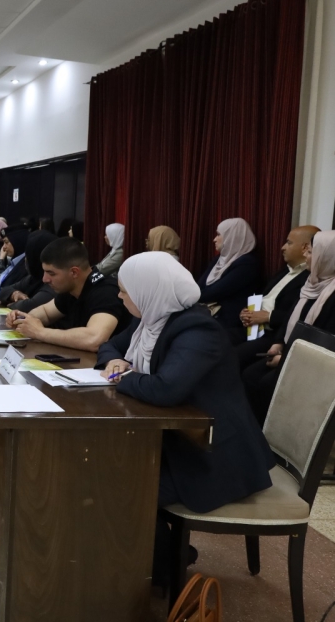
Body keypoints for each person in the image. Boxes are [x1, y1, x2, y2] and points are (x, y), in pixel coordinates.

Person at [95, 252, 274, 586]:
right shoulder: (151, 315)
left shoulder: (197, 330)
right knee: (105, 468)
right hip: (178, 438)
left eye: (124, 291)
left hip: (213, 454)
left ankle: (164, 570)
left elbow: (165, 390)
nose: (120, 297)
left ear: (148, 289)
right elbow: (108, 346)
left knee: (119, 486)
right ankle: (160, 558)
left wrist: (122, 378)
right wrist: (118, 361)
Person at [242, 230, 335, 424]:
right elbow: (291, 320)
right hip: (288, 351)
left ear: (327, 257)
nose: (307, 257)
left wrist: (287, 358)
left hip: (311, 361)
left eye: (311, 253)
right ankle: (251, 434)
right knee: (250, 375)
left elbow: (325, 340)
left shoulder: (332, 293)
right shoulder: (311, 283)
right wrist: (278, 343)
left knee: (266, 384)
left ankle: (270, 438)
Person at [5, 237, 130, 351]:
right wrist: (23, 320)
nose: (45, 279)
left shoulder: (105, 291)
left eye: (51, 273)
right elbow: (46, 313)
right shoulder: (72, 288)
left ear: (74, 272)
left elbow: (95, 339)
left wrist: (40, 332)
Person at [237, 226, 317, 352]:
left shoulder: (311, 279)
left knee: (234, 356)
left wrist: (268, 317)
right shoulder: (284, 270)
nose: (283, 247)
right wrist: (247, 312)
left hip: (274, 334)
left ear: (305, 247)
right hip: (252, 328)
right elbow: (264, 298)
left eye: (289, 243)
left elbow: (301, 316)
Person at [196, 218, 260, 344]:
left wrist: (191, 296)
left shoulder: (247, 264)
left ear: (233, 236)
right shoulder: (219, 260)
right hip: (210, 317)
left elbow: (215, 292)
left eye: (219, 234)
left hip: (229, 324)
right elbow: (199, 287)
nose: (214, 239)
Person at [2, 231, 59, 312]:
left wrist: (15, 305)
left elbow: (30, 306)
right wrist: (14, 293)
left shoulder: (53, 281)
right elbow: (4, 290)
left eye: (28, 255)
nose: (25, 259)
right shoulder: (33, 278)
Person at [0, 229, 30, 299]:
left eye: (6, 242)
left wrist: (0, 260)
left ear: (17, 242)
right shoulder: (14, 261)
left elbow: (3, 288)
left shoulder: (24, 266)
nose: (4, 247)